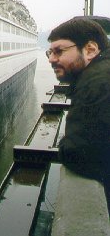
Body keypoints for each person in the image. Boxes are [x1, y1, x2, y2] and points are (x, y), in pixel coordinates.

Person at [46, 17, 110, 212]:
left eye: (59, 51)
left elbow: (79, 154)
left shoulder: (96, 84)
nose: (51, 59)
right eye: (49, 52)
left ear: (90, 50)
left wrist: (63, 145)